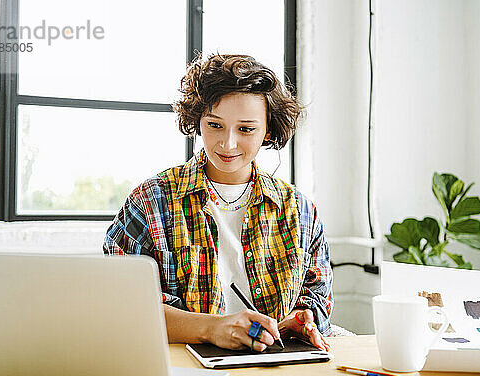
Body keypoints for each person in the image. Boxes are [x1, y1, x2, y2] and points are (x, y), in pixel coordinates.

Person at [103, 54, 333, 352]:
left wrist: (298, 320)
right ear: (197, 121)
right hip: (181, 364)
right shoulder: (151, 201)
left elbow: (317, 296)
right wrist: (212, 329)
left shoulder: (299, 210)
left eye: (246, 129)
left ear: (269, 131)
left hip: (274, 363)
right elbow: (121, 304)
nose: (227, 144)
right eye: (214, 125)